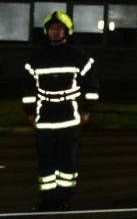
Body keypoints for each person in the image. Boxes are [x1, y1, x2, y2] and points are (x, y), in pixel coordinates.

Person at [21, 11, 99, 212]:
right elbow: (27, 89)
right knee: (45, 161)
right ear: (47, 31)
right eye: (53, 28)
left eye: (60, 28)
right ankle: (47, 199)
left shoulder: (78, 56)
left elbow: (92, 86)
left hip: (69, 117)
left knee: (67, 161)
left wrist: (86, 110)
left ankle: (64, 199)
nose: (56, 32)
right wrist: (30, 112)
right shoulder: (36, 58)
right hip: (44, 117)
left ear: (67, 31)